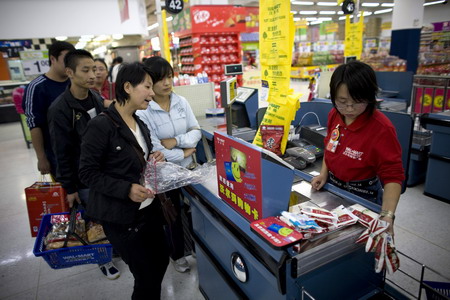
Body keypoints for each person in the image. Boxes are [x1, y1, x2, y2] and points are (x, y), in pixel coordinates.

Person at [79, 62, 168, 299]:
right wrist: (125, 188)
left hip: (150, 211)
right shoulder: (101, 126)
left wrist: (154, 157)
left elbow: (139, 160)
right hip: (123, 218)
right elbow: (87, 172)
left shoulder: (141, 124)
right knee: (146, 276)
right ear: (127, 86)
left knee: (160, 262)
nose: (152, 92)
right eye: (147, 87)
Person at [47, 49, 120, 280]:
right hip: (83, 177)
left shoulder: (95, 97)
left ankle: (113, 248)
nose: (92, 75)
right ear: (70, 72)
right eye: (85, 70)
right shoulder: (60, 109)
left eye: (95, 69)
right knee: (93, 219)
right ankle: (103, 260)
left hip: (105, 171)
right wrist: (69, 188)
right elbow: (62, 152)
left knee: (109, 214)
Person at [311, 61, 404, 234]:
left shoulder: (382, 128)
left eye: (357, 102)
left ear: (370, 96)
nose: (349, 108)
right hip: (333, 187)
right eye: (342, 101)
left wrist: (387, 215)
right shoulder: (335, 114)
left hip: (363, 194)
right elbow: (330, 147)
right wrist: (323, 173)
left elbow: (393, 175)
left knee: (358, 246)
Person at [136, 56, 201, 273]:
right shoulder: (144, 110)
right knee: (172, 215)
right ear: (150, 82)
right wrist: (184, 151)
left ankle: (195, 248)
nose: (167, 83)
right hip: (165, 174)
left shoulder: (181, 102)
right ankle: (177, 255)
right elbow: (156, 152)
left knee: (194, 210)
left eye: (170, 77)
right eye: (161, 78)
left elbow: (196, 131)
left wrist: (177, 142)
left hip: (189, 168)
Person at [23, 41, 75, 177]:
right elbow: (34, 125)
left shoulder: (74, 82)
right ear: (53, 59)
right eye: (66, 60)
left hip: (81, 152)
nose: (70, 65)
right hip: (56, 155)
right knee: (65, 194)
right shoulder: (37, 87)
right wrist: (41, 158)